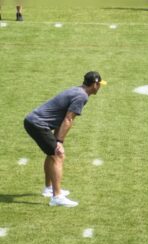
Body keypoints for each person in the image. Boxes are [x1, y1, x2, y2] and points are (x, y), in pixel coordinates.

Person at [24, 71, 107, 207]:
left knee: (52, 154)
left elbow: (62, 119)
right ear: (95, 84)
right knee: (58, 155)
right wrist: (59, 142)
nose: (100, 87)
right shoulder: (82, 97)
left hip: (32, 121)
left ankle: (49, 188)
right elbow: (68, 119)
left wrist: (57, 140)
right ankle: (56, 197)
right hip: (38, 124)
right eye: (99, 84)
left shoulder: (77, 90)